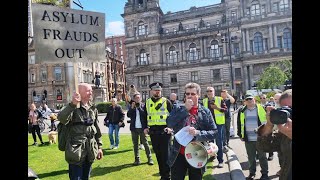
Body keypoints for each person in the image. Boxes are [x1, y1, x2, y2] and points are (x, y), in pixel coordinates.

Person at [166, 82, 218, 179]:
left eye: (193, 94)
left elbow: (214, 132)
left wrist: (198, 133)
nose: (190, 96)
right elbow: (169, 122)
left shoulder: (205, 111)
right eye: (187, 94)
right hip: (179, 153)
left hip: (197, 153)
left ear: (198, 95)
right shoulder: (178, 108)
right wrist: (185, 109)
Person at [57, 83, 103, 180]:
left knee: (86, 177)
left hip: (90, 150)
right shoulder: (72, 107)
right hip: (76, 152)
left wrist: (99, 147)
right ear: (80, 92)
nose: (91, 93)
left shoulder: (92, 108)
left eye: (91, 90)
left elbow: (97, 130)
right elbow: (61, 118)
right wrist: (72, 104)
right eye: (88, 91)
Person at [256, 89, 292, 180]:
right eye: (285, 108)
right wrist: (269, 125)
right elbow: (264, 147)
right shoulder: (285, 132)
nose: (288, 111)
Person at [143, 82, 173, 180]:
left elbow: (173, 116)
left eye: (159, 90)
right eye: (156, 90)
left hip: (164, 132)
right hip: (153, 132)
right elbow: (144, 116)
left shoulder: (166, 101)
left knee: (166, 155)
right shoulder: (148, 102)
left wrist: (170, 127)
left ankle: (167, 176)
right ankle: (163, 175)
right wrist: (145, 127)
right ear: (151, 91)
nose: (158, 92)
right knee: (158, 155)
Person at [236, 93, 269, 180]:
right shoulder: (242, 110)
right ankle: (252, 173)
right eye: (248, 100)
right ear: (245, 101)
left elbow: (268, 121)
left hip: (260, 137)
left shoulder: (261, 108)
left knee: (262, 156)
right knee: (251, 157)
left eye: (251, 99)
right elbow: (239, 123)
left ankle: (265, 174)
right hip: (248, 138)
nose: (250, 101)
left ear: (254, 99)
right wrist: (239, 134)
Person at [202, 87, 227, 168]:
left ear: (214, 92)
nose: (209, 92)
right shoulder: (204, 100)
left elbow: (225, 110)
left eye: (211, 91)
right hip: (209, 125)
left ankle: (220, 161)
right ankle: (213, 156)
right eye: (208, 91)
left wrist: (217, 108)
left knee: (219, 142)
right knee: (210, 142)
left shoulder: (219, 99)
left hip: (218, 124)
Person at [127, 92, 154, 166]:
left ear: (141, 98)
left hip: (142, 128)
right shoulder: (132, 106)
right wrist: (132, 108)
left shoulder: (144, 106)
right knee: (135, 145)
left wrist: (139, 108)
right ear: (134, 99)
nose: (137, 99)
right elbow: (128, 115)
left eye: (139, 98)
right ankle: (137, 159)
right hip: (134, 128)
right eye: (136, 98)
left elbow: (145, 115)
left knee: (145, 143)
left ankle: (150, 158)